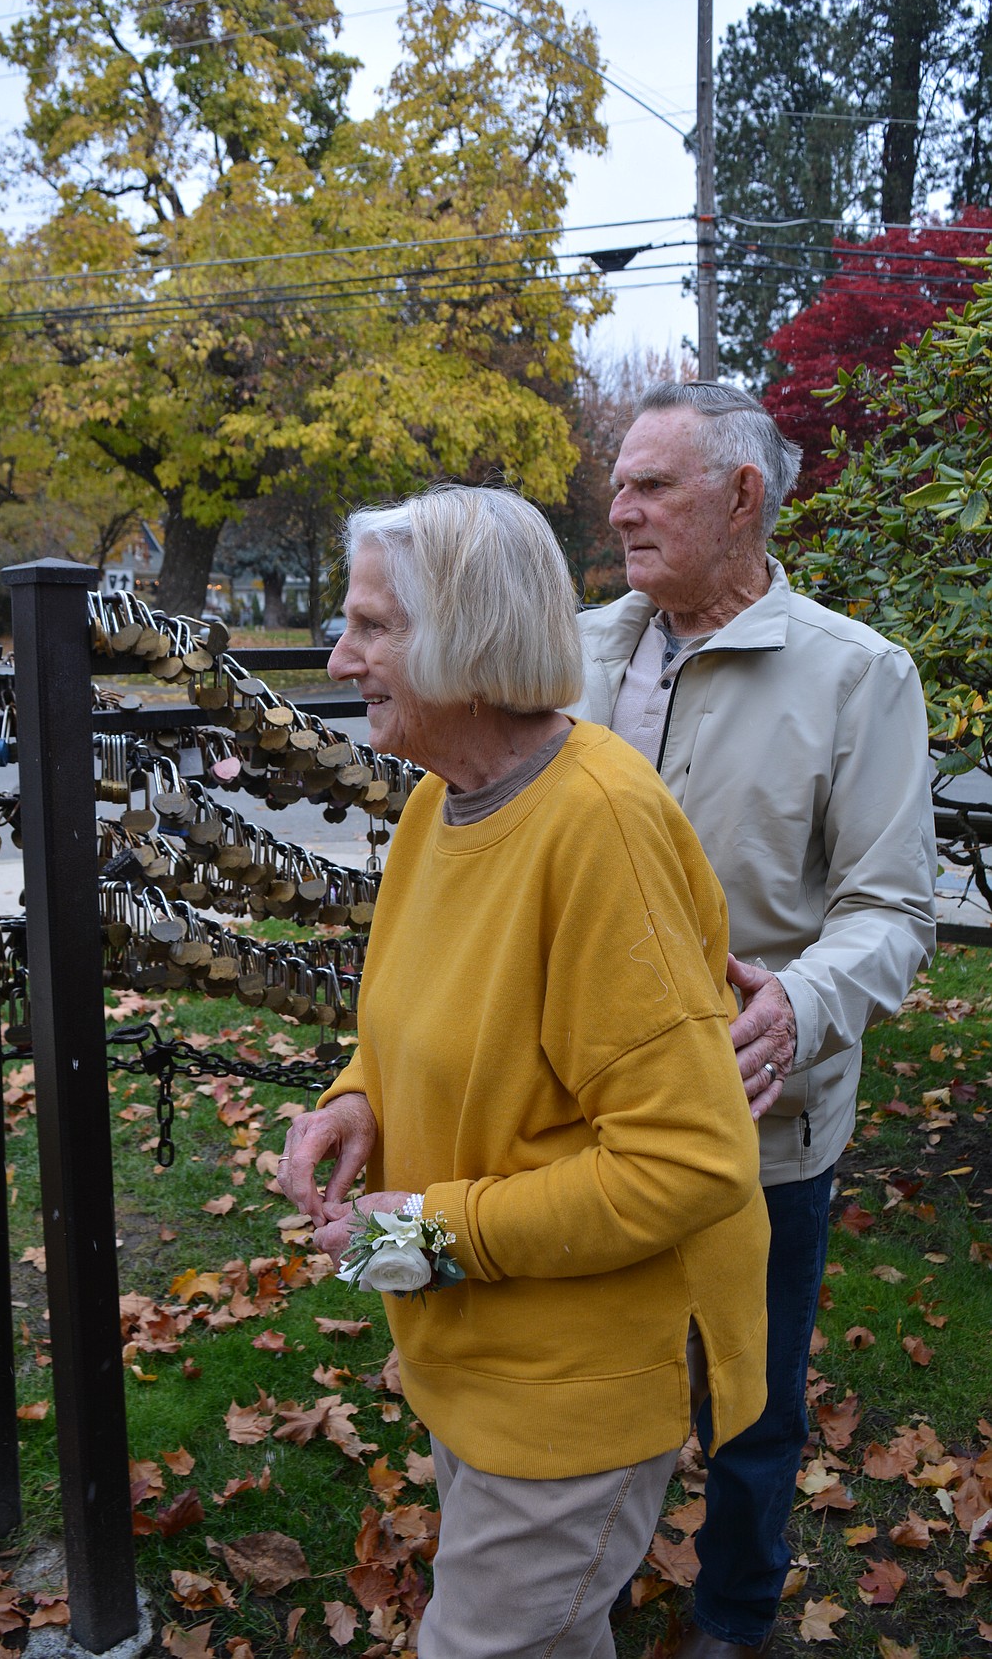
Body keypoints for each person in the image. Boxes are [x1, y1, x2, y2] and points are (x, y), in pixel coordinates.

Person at [279, 484, 770, 1659]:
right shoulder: (441, 805)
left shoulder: (596, 825)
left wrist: (435, 1234)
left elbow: (691, 1160)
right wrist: (358, 1093)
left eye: (373, 626)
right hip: (476, 1353)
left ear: (467, 633)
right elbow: (424, 1011)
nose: (343, 655)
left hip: (575, 1389)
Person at [572, 382, 937, 1658]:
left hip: (759, 1120)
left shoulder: (859, 675)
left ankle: (732, 1618)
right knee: (592, 1381)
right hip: (580, 1121)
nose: (620, 508)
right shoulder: (568, 657)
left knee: (751, 1400)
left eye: (651, 485)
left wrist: (805, 998)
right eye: (619, 483)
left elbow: (893, 909)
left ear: (742, 496)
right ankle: (583, 1601)